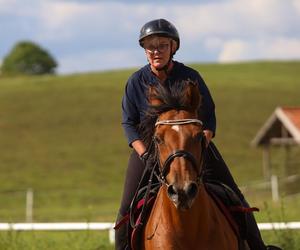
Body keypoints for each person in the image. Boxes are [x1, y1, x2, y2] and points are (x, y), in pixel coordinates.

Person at [115, 18, 279, 250]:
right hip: (151, 151)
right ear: (144, 50)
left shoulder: (190, 77)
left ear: (173, 47)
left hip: (194, 147)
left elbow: (209, 116)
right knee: (125, 209)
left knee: (235, 197)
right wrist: (144, 154)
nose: (155, 51)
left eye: (162, 45)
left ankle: (258, 248)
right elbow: (129, 124)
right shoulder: (136, 82)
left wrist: (201, 141)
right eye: (150, 46)